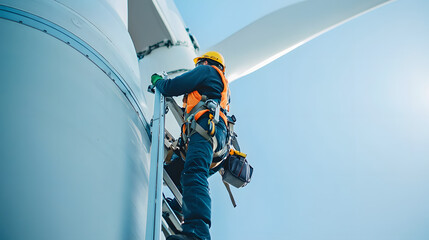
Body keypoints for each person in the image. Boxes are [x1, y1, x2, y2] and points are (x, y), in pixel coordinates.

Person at [151, 51, 230, 240]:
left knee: (194, 174)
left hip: (206, 131)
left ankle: (197, 234)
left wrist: (158, 82)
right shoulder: (219, 85)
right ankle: (179, 209)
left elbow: (172, 87)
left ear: (205, 62)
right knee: (175, 173)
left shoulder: (207, 70)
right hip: (217, 148)